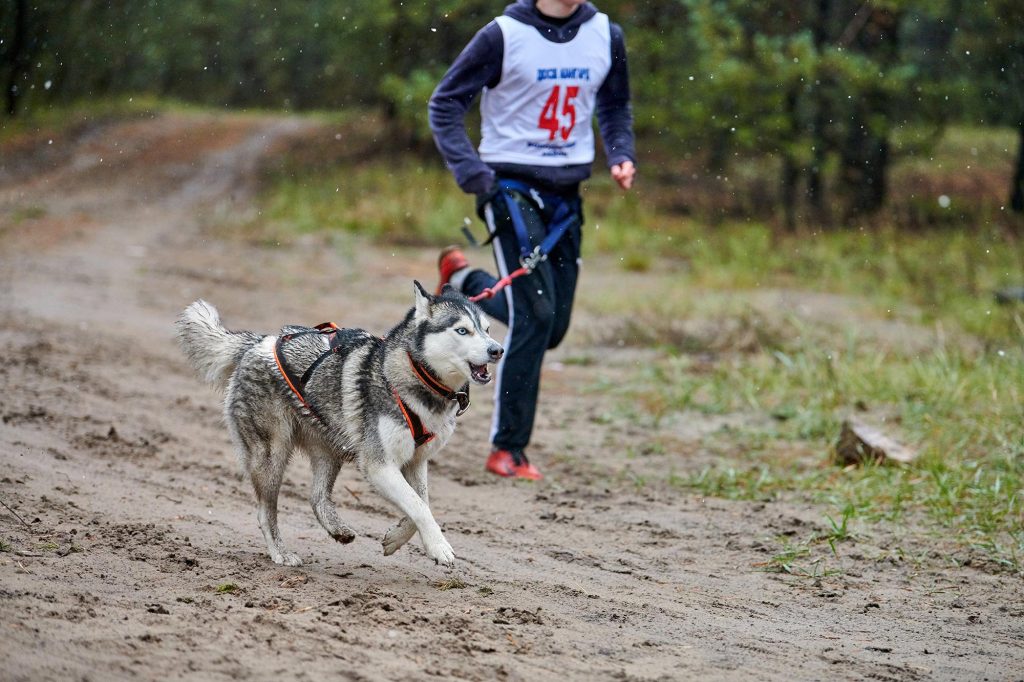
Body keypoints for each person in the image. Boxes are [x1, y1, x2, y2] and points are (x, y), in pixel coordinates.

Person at [428, 0, 636, 480]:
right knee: (536, 316)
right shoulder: (503, 34)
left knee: (553, 327)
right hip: (509, 188)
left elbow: (614, 103)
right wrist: (474, 175)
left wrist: (621, 153)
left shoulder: (607, 34)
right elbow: (445, 103)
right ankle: (508, 449)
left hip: (567, 196)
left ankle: (462, 279)